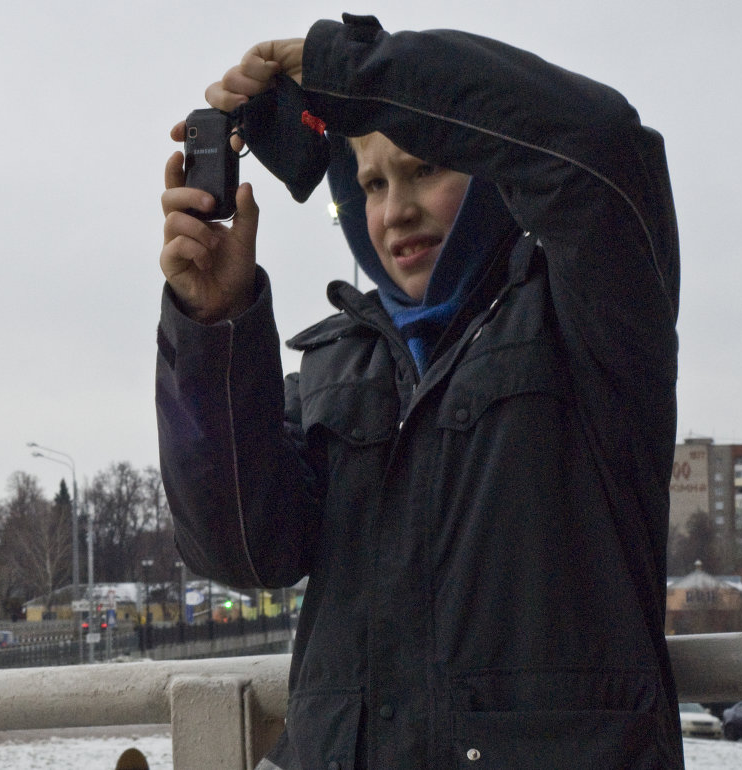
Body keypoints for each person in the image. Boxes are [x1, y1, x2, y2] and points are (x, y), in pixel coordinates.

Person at [156, 14, 680, 769]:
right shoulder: (338, 365)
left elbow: (599, 146)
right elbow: (239, 551)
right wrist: (215, 326)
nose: (395, 209)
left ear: (492, 165)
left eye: (426, 167)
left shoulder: (589, 317)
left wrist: (357, 76)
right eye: (371, 182)